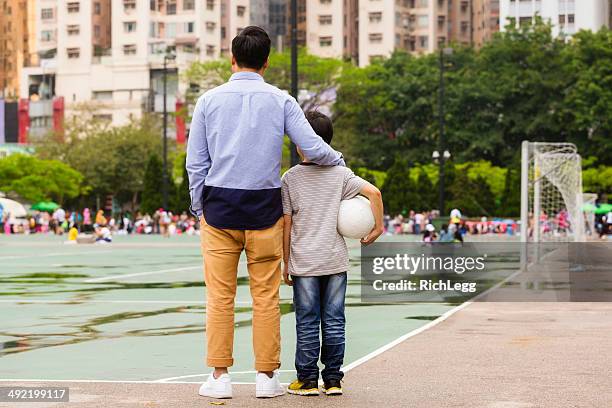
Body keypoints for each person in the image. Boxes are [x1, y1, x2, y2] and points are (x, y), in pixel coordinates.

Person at [186, 26, 345, 399]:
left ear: (232, 58)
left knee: (220, 298)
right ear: (267, 62)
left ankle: (220, 376)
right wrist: (339, 160)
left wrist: (199, 207)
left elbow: (197, 164)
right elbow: (312, 147)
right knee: (266, 297)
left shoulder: (208, 101)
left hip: (220, 209)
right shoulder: (281, 100)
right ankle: (265, 378)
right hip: (264, 210)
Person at [281, 111, 384, 396]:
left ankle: (307, 380)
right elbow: (374, 193)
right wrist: (377, 228)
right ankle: (334, 380)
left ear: (302, 142)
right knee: (335, 320)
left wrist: (285, 262)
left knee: (307, 320)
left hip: (304, 262)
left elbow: (286, 224)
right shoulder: (341, 174)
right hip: (335, 260)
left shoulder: (290, 178)